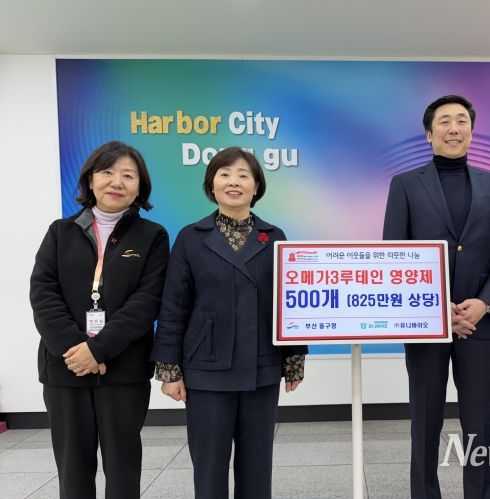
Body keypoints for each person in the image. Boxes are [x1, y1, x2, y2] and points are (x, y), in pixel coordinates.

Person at [150, 147, 307, 499]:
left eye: (243, 175)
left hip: (261, 368)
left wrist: (294, 359)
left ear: (256, 187)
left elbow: (289, 302)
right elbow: (173, 307)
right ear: (212, 184)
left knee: (257, 469)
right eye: (224, 174)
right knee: (209, 470)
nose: (233, 182)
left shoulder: (274, 236)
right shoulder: (191, 237)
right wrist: (170, 370)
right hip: (206, 370)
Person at [383, 95, 490, 499]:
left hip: (480, 323)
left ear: (472, 132)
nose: (454, 128)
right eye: (444, 121)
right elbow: (394, 254)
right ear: (429, 133)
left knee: (480, 422)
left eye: (462, 120)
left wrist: (485, 302)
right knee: (425, 421)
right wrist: (436, 308)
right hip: (425, 323)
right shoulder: (405, 184)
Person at [29, 141, 170, 499]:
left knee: (123, 467)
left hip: (123, 368)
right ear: (91, 180)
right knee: (73, 468)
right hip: (66, 368)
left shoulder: (152, 236)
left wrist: (99, 349)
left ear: (140, 187)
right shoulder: (60, 232)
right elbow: (43, 294)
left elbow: (147, 301)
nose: (117, 182)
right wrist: (77, 349)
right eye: (107, 172)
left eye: (128, 175)